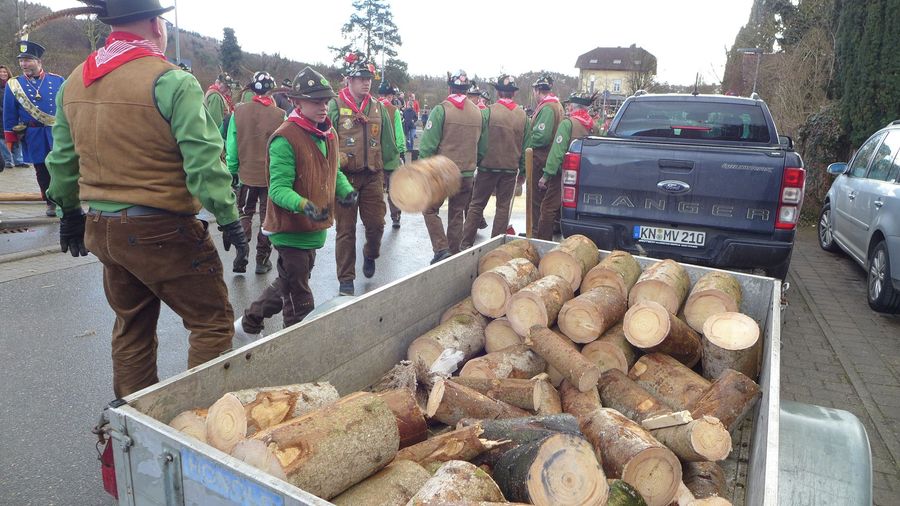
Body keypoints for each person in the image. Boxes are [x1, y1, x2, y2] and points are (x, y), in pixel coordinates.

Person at [45, 0, 248, 398]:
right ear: (157, 25)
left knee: (132, 329)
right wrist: (228, 216)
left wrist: (69, 212)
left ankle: (134, 421)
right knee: (211, 323)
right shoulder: (171, 80)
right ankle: (201, 421)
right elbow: (204, 163)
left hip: (102, 228)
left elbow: (62, 161)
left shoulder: (74, 81)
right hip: (161, 229)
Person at [234, 67, 357, 341]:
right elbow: (278, 190)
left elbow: (333, 171)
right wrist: (305, 206)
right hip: (290, 231)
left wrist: (346, 191)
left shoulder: (328, 134)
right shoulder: (285, 138)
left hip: (313, 232)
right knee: (300, 299)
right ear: (297, 102)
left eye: (326, 101)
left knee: (288, 285)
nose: (323, 107)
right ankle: (298, 346)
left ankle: (249, 323)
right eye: (316, 101)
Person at [327, 53, 398, 296]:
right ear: (349, 80)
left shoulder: (378, 107)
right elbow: (326, 140)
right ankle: (346, 279)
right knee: (345, 230)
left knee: (376, 225)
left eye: (369, 78)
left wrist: (393, 170)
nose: (366, 82)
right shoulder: (336, 106)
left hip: (372, 176)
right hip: (344, 178)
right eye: (361, 78)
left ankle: (370, 253)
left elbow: (388, 142)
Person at [419, 70, 484, 264]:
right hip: (467, 173)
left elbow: (428, 146)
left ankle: (441, 249)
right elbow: (483, 147)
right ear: (467, 89)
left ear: (450, 88)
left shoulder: (441, 110)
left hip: (444, 172)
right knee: (456, 215)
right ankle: (452, 256)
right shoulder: (478, 113)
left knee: (429, 209)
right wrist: (473, 163)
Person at [460, 75, 530, 249]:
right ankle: (495, 248)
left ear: (498, 92)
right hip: (510, 169)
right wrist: (522, 172)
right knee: (503, 208)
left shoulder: (487, 112)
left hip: (487, 167)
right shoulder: (523, 116)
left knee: (476, 205)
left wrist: (478, 161)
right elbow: (527, 146)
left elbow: (479, 140)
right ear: (514, 94)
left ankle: (465, 244)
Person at [226, 71, 285, 274]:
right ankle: (262, 260)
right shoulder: (280, 115)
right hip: (270, 177)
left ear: (252, 90)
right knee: (267, 218)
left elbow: (232, 145)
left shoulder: (238, 112)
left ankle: (241, 254)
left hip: (246, 175)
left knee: (245, 213)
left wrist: (233, 169)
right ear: (271, 91)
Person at [3, 41, 65, 215]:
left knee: (61, 167)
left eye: (28, 60)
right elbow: (9, 113)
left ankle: (65, 199)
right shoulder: (14, 84)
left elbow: (68, 106)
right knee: (41, 169)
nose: (23, 64)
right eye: (21, 61)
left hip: (56, 132)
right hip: (33, 134)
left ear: (38, 61)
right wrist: (11, 138)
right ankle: (50, 202)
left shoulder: (58, 80)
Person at [536, 91, 596, 239]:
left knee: (548, 208)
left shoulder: (567, 124)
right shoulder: (593, 126)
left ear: (572, 106)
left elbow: (557, 152)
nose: (567, 107)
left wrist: (546, 176)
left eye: (569, 105)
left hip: (564, 176)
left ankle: (543, 242)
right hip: (586, 176)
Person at [528, 73, 564, 238]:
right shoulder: (556, 104)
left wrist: (527, 141)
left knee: (537, 201)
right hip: (549, 159)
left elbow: (541, 137)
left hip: (540, 159)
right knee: (547, 201)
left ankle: (537, 234)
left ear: (537, 90)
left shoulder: (548, 108)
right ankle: (542, 232)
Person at [377, 80, 407, 229]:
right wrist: (401, 152)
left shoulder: (371, 108)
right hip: (391, 156)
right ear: (389, 96)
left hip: (375, 156)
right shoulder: (393, 110)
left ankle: (374, 217)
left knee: (375, 190)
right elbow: (399, 134)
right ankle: (395, 217)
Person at [0, 64, 26, 170]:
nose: (3, 74)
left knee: (17, 137)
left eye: (4, 72)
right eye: (0, 72)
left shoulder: (14, 86)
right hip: (1, 117)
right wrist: (4, 111)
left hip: (14, 116)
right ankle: (8, 160)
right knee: (2, 140)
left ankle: (19, 160)